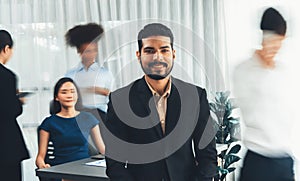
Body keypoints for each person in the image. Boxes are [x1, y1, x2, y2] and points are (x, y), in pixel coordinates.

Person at [103, 23, 217, 181]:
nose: (158, 57)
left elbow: (208, 155)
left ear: (173, 54)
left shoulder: (195, 96)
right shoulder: (120, 100)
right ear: (138, 55)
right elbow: (115, 161)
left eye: (164, 50)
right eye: (150, 51)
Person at [233, 7, 295, 181]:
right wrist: (262, 66)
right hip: (258, 160)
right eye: (273, 41)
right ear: (264, 37)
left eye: (280, 42)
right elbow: (253, 112)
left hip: (284, 160)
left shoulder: (284, 72)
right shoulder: (244, 70)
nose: (276, 47)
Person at [35, 77, 105, 180]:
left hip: (85, 170)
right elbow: (40, 157)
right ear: (56, 97)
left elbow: (102, 150)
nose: (69, 96)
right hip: (61, 170)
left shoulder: (88, 118)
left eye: (72, 92)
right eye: (64, 92)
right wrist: (43, 166)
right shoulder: (49, 123)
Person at [64, 23, 112, 122]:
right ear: (79, 51)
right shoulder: (70, 75)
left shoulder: (105, 74)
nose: (91, 54)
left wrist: (99, 91)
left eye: (94, 50)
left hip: (101, 117)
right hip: (77, 116)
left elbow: (114, 96)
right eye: (87, 51)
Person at [0, 29, 30, 181]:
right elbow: (10, 111)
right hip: (5, 144)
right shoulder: (7, 76)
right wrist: (18, 101)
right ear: (6, 49)